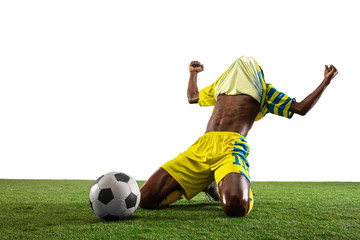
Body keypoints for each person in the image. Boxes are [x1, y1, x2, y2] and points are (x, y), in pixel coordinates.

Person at [139, 56, 338, 217]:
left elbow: (301, 108)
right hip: (202, 147)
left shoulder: (264, 91)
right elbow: (193, 97)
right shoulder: (220, 87)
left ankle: (226, 185)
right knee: (146, 200)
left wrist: (326, 81)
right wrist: (193, 74)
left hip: (231, 148)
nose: (242, 63)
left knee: (236, 208)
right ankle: (205, 182)